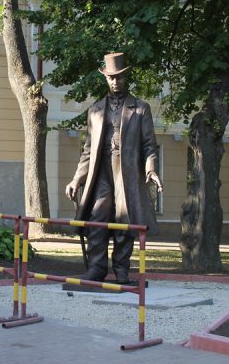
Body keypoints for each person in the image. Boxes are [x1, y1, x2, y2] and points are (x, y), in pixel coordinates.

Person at [65, 52, 163, 284]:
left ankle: (121, 271)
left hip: (127, 173)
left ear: (126, 77)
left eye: (118, 77)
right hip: (102, 172)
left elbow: (149, 144)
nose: (115, 82)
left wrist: (151, 170)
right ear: (105, 79)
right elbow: (88, 150)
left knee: (123, 222)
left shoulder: (140, 109)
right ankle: (96, 269)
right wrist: (77, 179)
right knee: (97, 219)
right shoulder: (95, 110)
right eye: (111, 78)